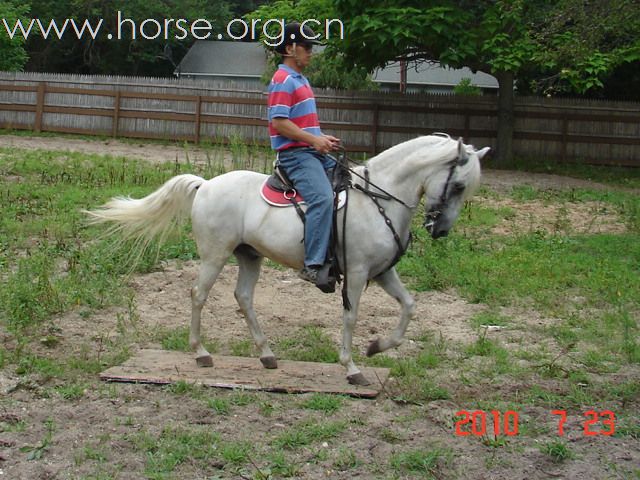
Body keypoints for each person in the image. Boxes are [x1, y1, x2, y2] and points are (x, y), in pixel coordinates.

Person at [267, 22, 341, 285]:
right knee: (322, 198)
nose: (311, 52)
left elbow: (303, 122)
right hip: (296, 157)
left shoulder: (301, 79)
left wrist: (322, 139)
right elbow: (280, 122)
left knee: (350, 185)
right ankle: (312, 264)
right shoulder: (283, 80)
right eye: (306, 47)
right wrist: (314, 140)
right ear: (290, 48)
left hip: (312, 151)